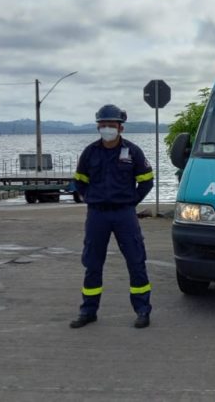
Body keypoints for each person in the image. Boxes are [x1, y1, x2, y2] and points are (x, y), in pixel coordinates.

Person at [70, 104, 155, 329]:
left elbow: (147, 179)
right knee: (92, 263)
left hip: (124, 214)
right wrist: (90, 197)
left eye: (111, 125)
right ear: (98, 126)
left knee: (136, 261)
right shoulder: (90, 152)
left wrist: (132, 201)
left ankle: (142, 310)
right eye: (103, 125)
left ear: (121, 127)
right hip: (97, 214)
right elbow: (79, 181)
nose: (107, 128)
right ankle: (88, 311)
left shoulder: (133, 152)